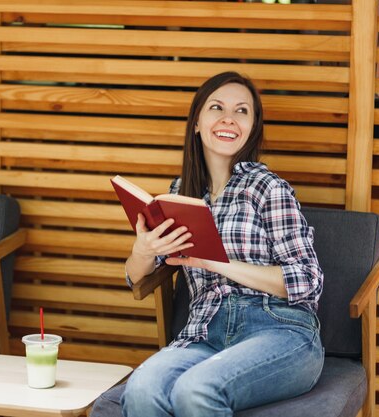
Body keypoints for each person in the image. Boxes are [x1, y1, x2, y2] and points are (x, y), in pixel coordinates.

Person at [117, 71, 324, 416]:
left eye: (242, 111)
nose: (229, 118)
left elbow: (308, 280)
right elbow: (136, 278)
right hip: (203, 334)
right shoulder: (180, 194)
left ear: (252, 128)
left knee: (195, 390)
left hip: (277, 329)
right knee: (141, 389)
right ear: (197, 122)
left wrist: (214, 261)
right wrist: (144, 249)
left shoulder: (267, 187)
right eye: (217, 107)